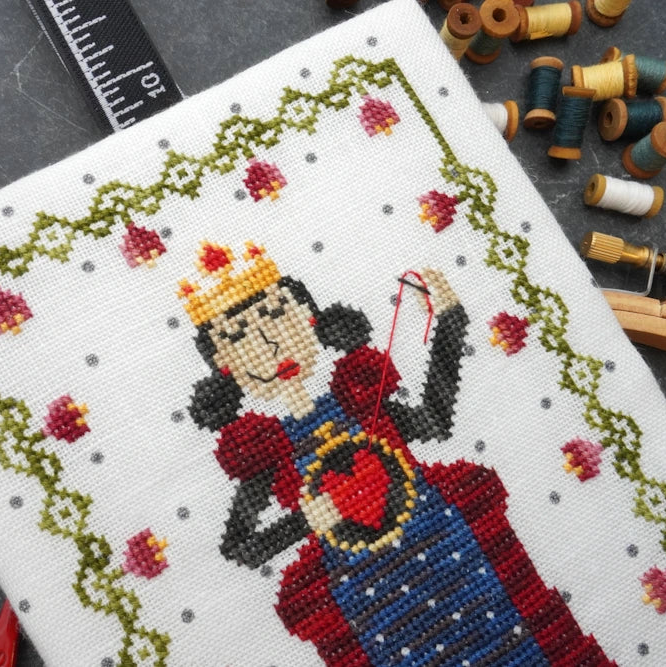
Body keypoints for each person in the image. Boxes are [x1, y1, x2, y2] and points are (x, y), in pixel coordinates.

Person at [180, 241, 609, 666]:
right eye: (239, 337)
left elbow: (434, 420)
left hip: (447, 546)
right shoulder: (267, 450)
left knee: (509, 634)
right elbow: (241, 547)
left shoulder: (359, 398)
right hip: (368, 593)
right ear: (224, 367)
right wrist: (309, 519)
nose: (270, 345)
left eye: (278, 316)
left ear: (310, 318)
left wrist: (450, 321)